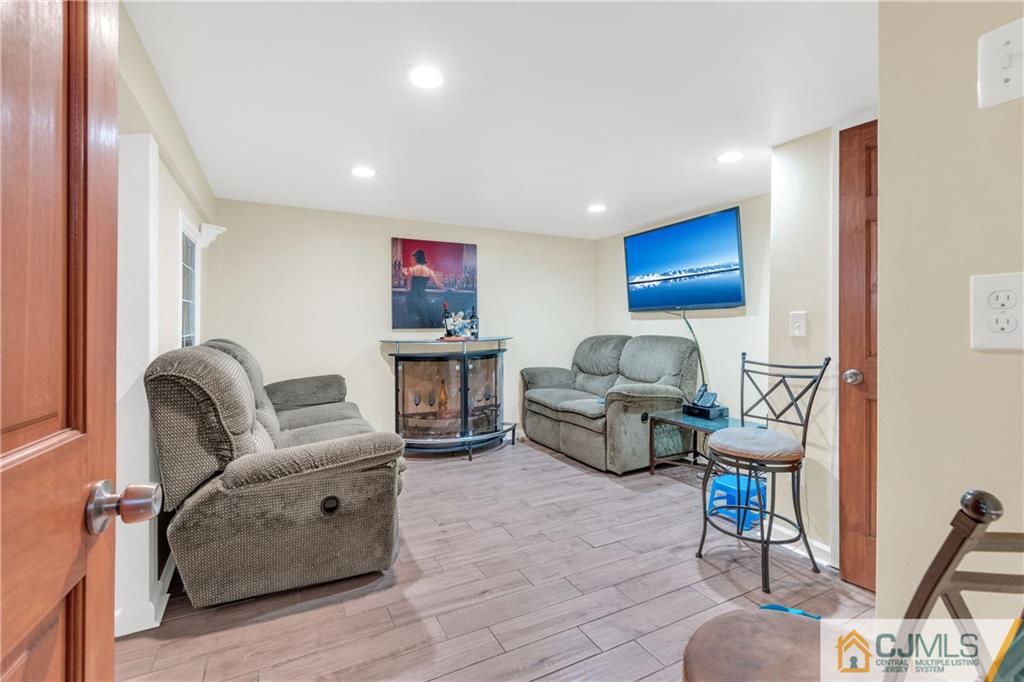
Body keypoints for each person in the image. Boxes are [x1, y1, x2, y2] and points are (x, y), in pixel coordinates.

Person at [403, 249, 446, 327]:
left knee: (412, 321)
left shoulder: (411, 270)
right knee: (423, 320)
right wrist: (446, 288)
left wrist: (406, 276)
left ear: (416, 258)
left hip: (412, 297)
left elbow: (408, 288)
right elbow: (438, 285)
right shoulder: (429, 271)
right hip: (423, 297)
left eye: (414, 258)